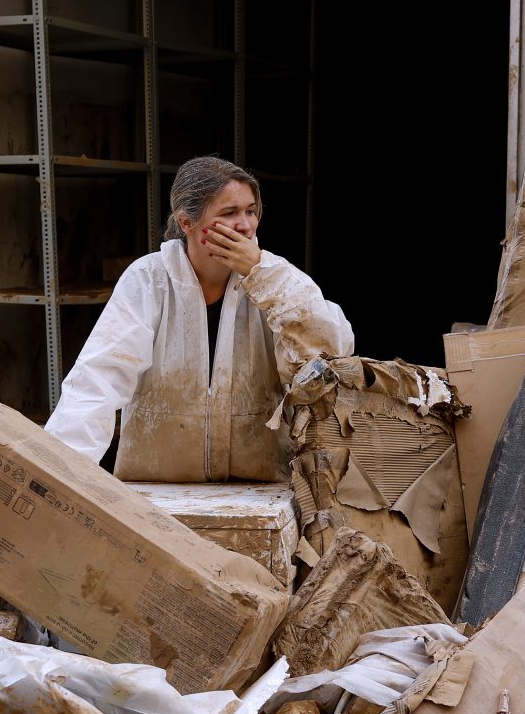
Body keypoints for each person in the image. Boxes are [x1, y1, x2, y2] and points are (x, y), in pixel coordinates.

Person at [44, 156, 353, 483]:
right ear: (186, 222)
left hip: (260, 489)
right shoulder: (150, 279)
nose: (245, 225)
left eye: (250, 211)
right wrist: (59, 476)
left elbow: (332, 353)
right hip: (160, 490)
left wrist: (263, 275)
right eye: (229, 213)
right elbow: (98, 379)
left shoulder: (275, 280)